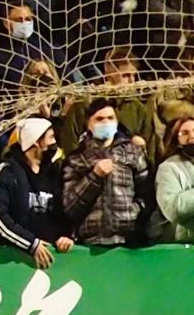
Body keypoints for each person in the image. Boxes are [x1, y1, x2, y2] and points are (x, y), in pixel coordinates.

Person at [0, 118, 75, 267]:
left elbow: (66, 211)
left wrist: (66, 236)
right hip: (12, 262)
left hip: (51, 261)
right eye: (51, 137)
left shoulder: (56, 172)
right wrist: (30, 243)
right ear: (35, 141)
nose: (55, 142)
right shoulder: (6, 171)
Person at [62, 98, 150, 246]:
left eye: (110, 118)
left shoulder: (133, 153)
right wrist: (94, 177)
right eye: (99, 119)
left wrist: (133, 212)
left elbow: (147, 194)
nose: (106, 122)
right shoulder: (75, 159)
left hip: (129, 242)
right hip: (91, 242)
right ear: (89, 123)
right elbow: (69, 207)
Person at [154, 118, 194, 243]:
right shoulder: (168, 168)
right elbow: (172, 210)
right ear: (177, 140)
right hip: (186, 242)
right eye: (185, 133)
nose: (192, 136)